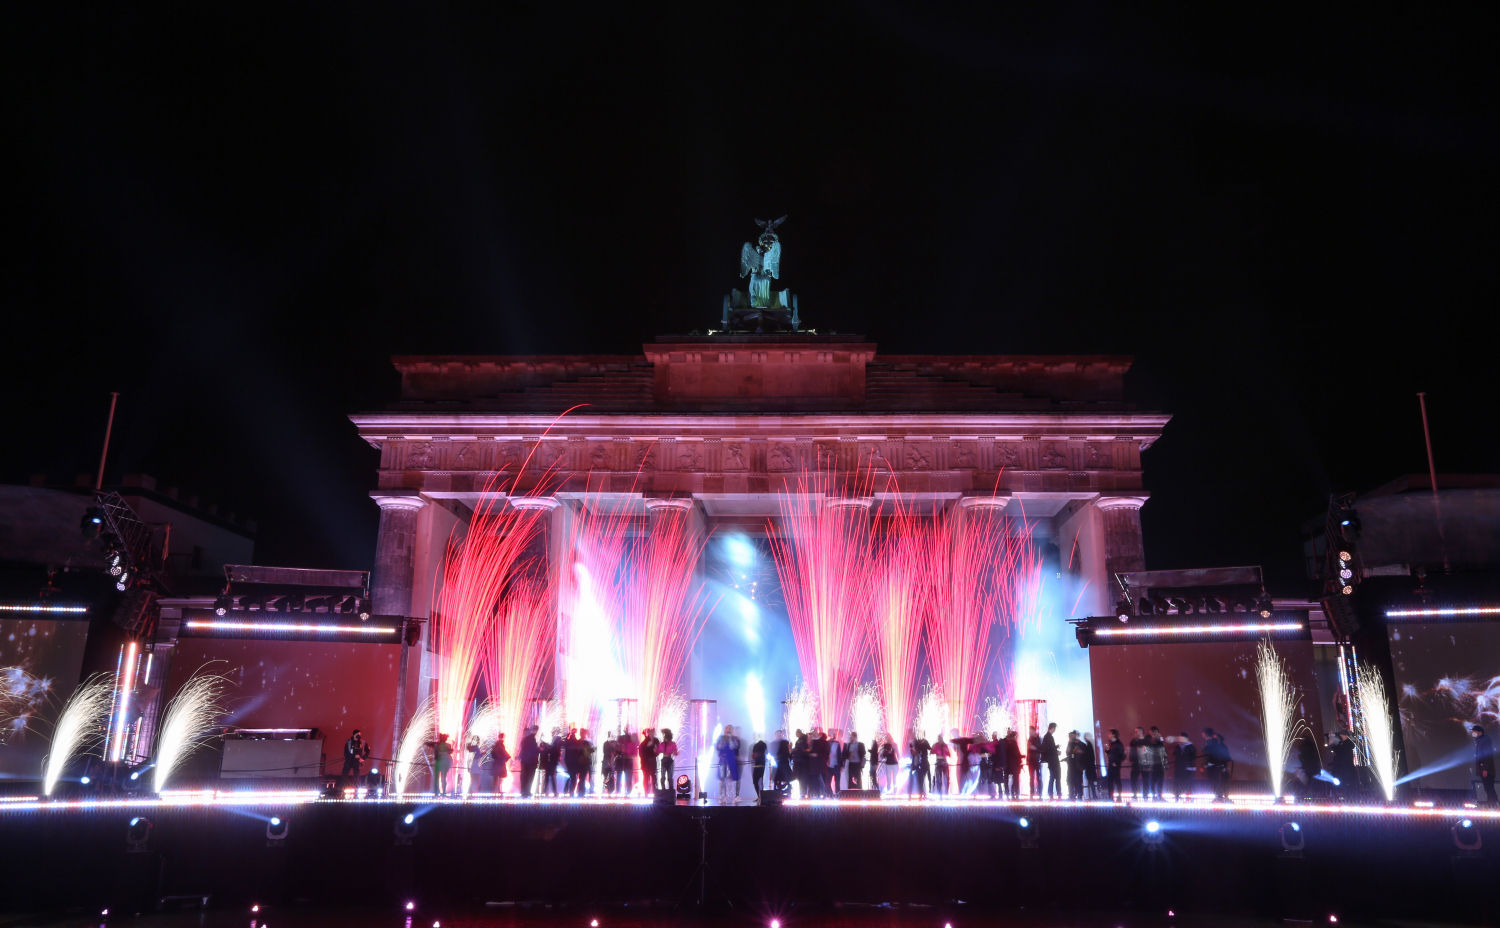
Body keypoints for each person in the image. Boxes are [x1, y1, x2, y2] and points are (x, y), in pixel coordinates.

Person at [1202, 727, 1232, 801]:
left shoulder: (1211, 744)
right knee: (1221, 783)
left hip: (1215, 767)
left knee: (1216, 782)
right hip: (1220, 767)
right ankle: (1222, 797)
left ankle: (1219, 797)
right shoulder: (1220, 745)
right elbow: (1227, 757)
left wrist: (1206, 764)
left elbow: (1209, 755)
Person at [716, 724, 742, 802]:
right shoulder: (721, 738)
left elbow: (736, 747)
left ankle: (734, 796)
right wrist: (724, 740)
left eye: (730, 729)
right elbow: (718, 747)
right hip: (723, 760)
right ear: (724, 729)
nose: (728, 730)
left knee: (734, 778)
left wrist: (731, 738)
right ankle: (721, 796)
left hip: (732, 760)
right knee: (722, 778)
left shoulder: (735, 738)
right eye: (727, 728)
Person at [341, 729, 371, 796]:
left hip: (357, 761)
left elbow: (368, 750)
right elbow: (345, 752)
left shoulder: (363, 742)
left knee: (356, 776)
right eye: (358, 734)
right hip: (349, 760)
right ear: (354, 735)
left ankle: (356, 790)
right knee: (344, 774)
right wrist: (349, 757)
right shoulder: (348, 742)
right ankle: (343, 789)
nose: (359, 736)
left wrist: (363, 758)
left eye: (360, 734)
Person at [1473, 725, 1497, 804]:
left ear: (1479, 732)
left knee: (1489, 787)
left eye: (1474, 731)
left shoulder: (1485, 740)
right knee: (1487, 787)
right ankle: (1492, 802)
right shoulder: (1479, 740)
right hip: (1483, 769)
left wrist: (1485, 769)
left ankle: (1493, 803)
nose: (1473, 733)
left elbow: (1487, 755)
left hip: (1487, 770)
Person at [1172, 732, 1196, 801]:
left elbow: (1193, 757)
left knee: (1188, 783)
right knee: (1177, 782)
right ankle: (1177, 797)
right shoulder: (1177, 746)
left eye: (1181, 738)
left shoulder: (1191, 747)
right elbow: (1174, 754)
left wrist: (1191, 767)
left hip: (1188, 768)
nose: (1180, 740)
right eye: (1179, 738)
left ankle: (1188, 798)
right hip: (1179, 768)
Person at [519, 726, 541, 798]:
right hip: (531, 762)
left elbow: (523, 751)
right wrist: (541, 749)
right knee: (530, 777)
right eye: (536, 730)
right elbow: (534, 750)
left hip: (525, 761)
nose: (536, 732)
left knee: (525, 777)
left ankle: (524, 792)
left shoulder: (524, 740)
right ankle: (527, 791)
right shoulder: (531, 739)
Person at [1147, 726, 1168, 800]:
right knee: (1152, 781)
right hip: (1152, 764)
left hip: (1160, 765)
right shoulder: (1148, 740)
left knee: (1160, 781)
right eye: (1154, 732)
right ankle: (1153, 796)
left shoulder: (1160, 741)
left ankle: (1159, 795)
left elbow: (1163, 750)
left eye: (1156, 732)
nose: (1155, 734)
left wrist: (1165, 764)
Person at [1041, 723, 1061, 799]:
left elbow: (1050, 748)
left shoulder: (1047, 737)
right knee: (1055, 777)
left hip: (1052, 761)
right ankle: (1056, 793)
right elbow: (1049, 749)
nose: (1055, 730)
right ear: (1052, 728)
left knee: (1053, 777)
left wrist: (1055, 747)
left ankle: (1052, 793)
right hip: (1053, 761)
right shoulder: (1048, 737)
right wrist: (1057, 752)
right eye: (1055, 728)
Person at [1064, 730, 1086, 800]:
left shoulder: (1081, 744)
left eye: (1072, 735)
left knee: (1078, 782)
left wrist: (1080, 752)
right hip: (1071, 767)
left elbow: (1084, 753)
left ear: (1076, 735)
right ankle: (1071, 795)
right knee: (1070, 781)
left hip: (1078, 767)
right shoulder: (1070, 743)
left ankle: (1079, 795)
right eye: (1070, 736)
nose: (1070, 737)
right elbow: (1068, 753)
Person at [909, 730, 931, 798]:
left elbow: (916, 753)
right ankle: (919, 793)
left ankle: (922, 793)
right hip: (917, 764)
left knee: (921, 779)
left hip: (920, 763)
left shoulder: (919, 742)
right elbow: (913, 753)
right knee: (919, 779)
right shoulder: (915, 742)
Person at [1105, 729, 1125, 801]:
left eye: (1110, 734)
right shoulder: (1111, 744)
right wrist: (1107, 751)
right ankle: (1111, 796)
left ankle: (1119, 797)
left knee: (1117, 781)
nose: (1108, 735)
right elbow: (1111, 754)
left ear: (1113, 735)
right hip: (1110, 765)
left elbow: (1122, 755)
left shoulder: (1118, 744)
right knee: (1110, 781)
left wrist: (1116, 762)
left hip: (1116, 766)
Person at [1002, 729, 1023, 799]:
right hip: (1014, 765)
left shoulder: (1006, 742)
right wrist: (1022, 756)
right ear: (1015, 736)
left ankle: (1008, 793)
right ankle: (1015, 792)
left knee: (1006, 779)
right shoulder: (1013, 743)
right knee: (1016, 779)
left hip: (1007, 764)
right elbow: (1016, 754)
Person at [1128, 727, 1147, 799]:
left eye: (1137, 731)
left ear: (1141, 732)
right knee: (1133, 779)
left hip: (1144, 763)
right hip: (1135, 763)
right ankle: (1134, 794)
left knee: (1145, 779)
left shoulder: (1146, 741)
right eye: (1135, 732)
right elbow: (1131, 750)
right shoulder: (1133, 741)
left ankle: (1145, 795)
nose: (1135, 733)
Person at [539, 730, 560, 796]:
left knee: (549, 777)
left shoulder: (555, 742)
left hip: (551, 762)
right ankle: (551, 792)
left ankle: (547, 791)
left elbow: (552, 750)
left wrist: (546, 745)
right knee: (550, 777)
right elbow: (552, 750)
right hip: (551, 762)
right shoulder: (555, 742)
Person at [639, 729, 660, 795]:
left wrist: (656, 751)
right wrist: (647, 746)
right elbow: (641, 752)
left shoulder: (656, 740)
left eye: (653, 732)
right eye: (651, 732)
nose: (652, 733)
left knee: (654, 777)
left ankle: (655, 792)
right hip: (645, 762)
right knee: (646, 778)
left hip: (653, 761)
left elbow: (658, 750)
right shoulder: (644, 742)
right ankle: (646, 793)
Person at [824, 728, 844, 795]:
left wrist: (841, 765)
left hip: (836, 765)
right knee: (827, 782)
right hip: (829, 766)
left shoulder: (837, 743)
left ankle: (837, 795)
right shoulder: (827, 743)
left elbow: (839, 755)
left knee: (837, 782)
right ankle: (831, 794)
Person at [1027, 726, 1043, 797]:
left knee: (1038, 776)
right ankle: (1032, 792)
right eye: (1029, 731)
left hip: (1036, 760)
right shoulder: (1030, 739)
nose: (1029, 732)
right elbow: (1028, 749)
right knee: (1031, 777)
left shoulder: (1038, 739)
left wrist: (1034, 748)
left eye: (1030, 731)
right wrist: (1027, 759)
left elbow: (1040, 749)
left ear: (1034, 731)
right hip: (1031, 760)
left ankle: (1040, 792)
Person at [773, 730, 791, 795]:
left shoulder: (785, 742)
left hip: (784, 761)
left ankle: (788, 788)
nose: (779, 735)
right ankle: (778, 789)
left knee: (786, 776)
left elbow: (787, 751)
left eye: (780, 734)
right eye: (777, 734)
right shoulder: (773, 743)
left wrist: (789, 757)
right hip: (777, 763)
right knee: (778, 777)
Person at [751, 734, 767, 799]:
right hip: (759, 764)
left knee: (757, 781)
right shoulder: (763, 745)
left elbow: (754, 755)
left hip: (759, 765)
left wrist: (755, 756)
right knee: (758, 781)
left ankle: (760, 797)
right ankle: (760, 796)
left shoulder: (761, 744)